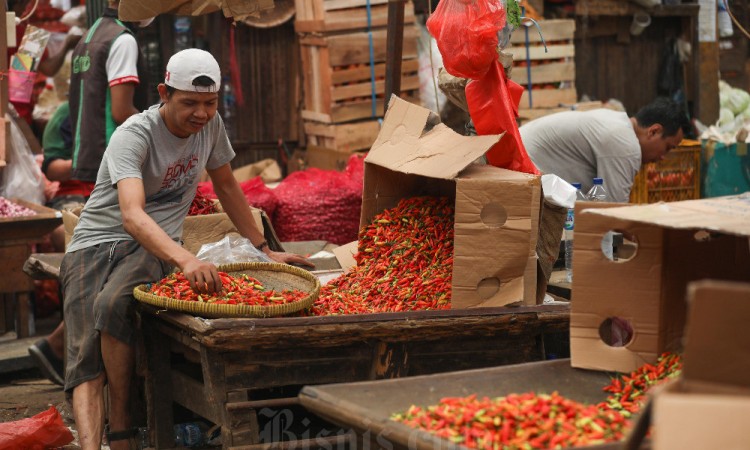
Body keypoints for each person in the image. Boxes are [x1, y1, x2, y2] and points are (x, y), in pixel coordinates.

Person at [60, 48, 312, 450]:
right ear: (163, 92)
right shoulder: (134, 134)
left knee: (111, 307)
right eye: (189, 103)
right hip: (96, 242)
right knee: (84, 357)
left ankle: (121, 428)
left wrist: (264, 248)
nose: (201, 113)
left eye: (210, 103)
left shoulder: (211, 129)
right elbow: (131, 214)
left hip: (151, 246)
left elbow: (228, 186)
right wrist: (185, 258)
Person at [27, 0, 150, 388]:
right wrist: (157, 132)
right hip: (116, 168)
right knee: (120, 262)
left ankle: (61, 349)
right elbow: (121, 109)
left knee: (102, 264)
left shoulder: (90, 38)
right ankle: (76, 360)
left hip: (96, 168)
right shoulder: (123, 39)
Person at [520, 97, 689, 202]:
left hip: (522, 166)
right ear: (654, 131)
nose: (662, 158)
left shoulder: (617, 124)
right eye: (667, 148)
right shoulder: (625, 144)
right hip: (522, 173)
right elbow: (612, 212)